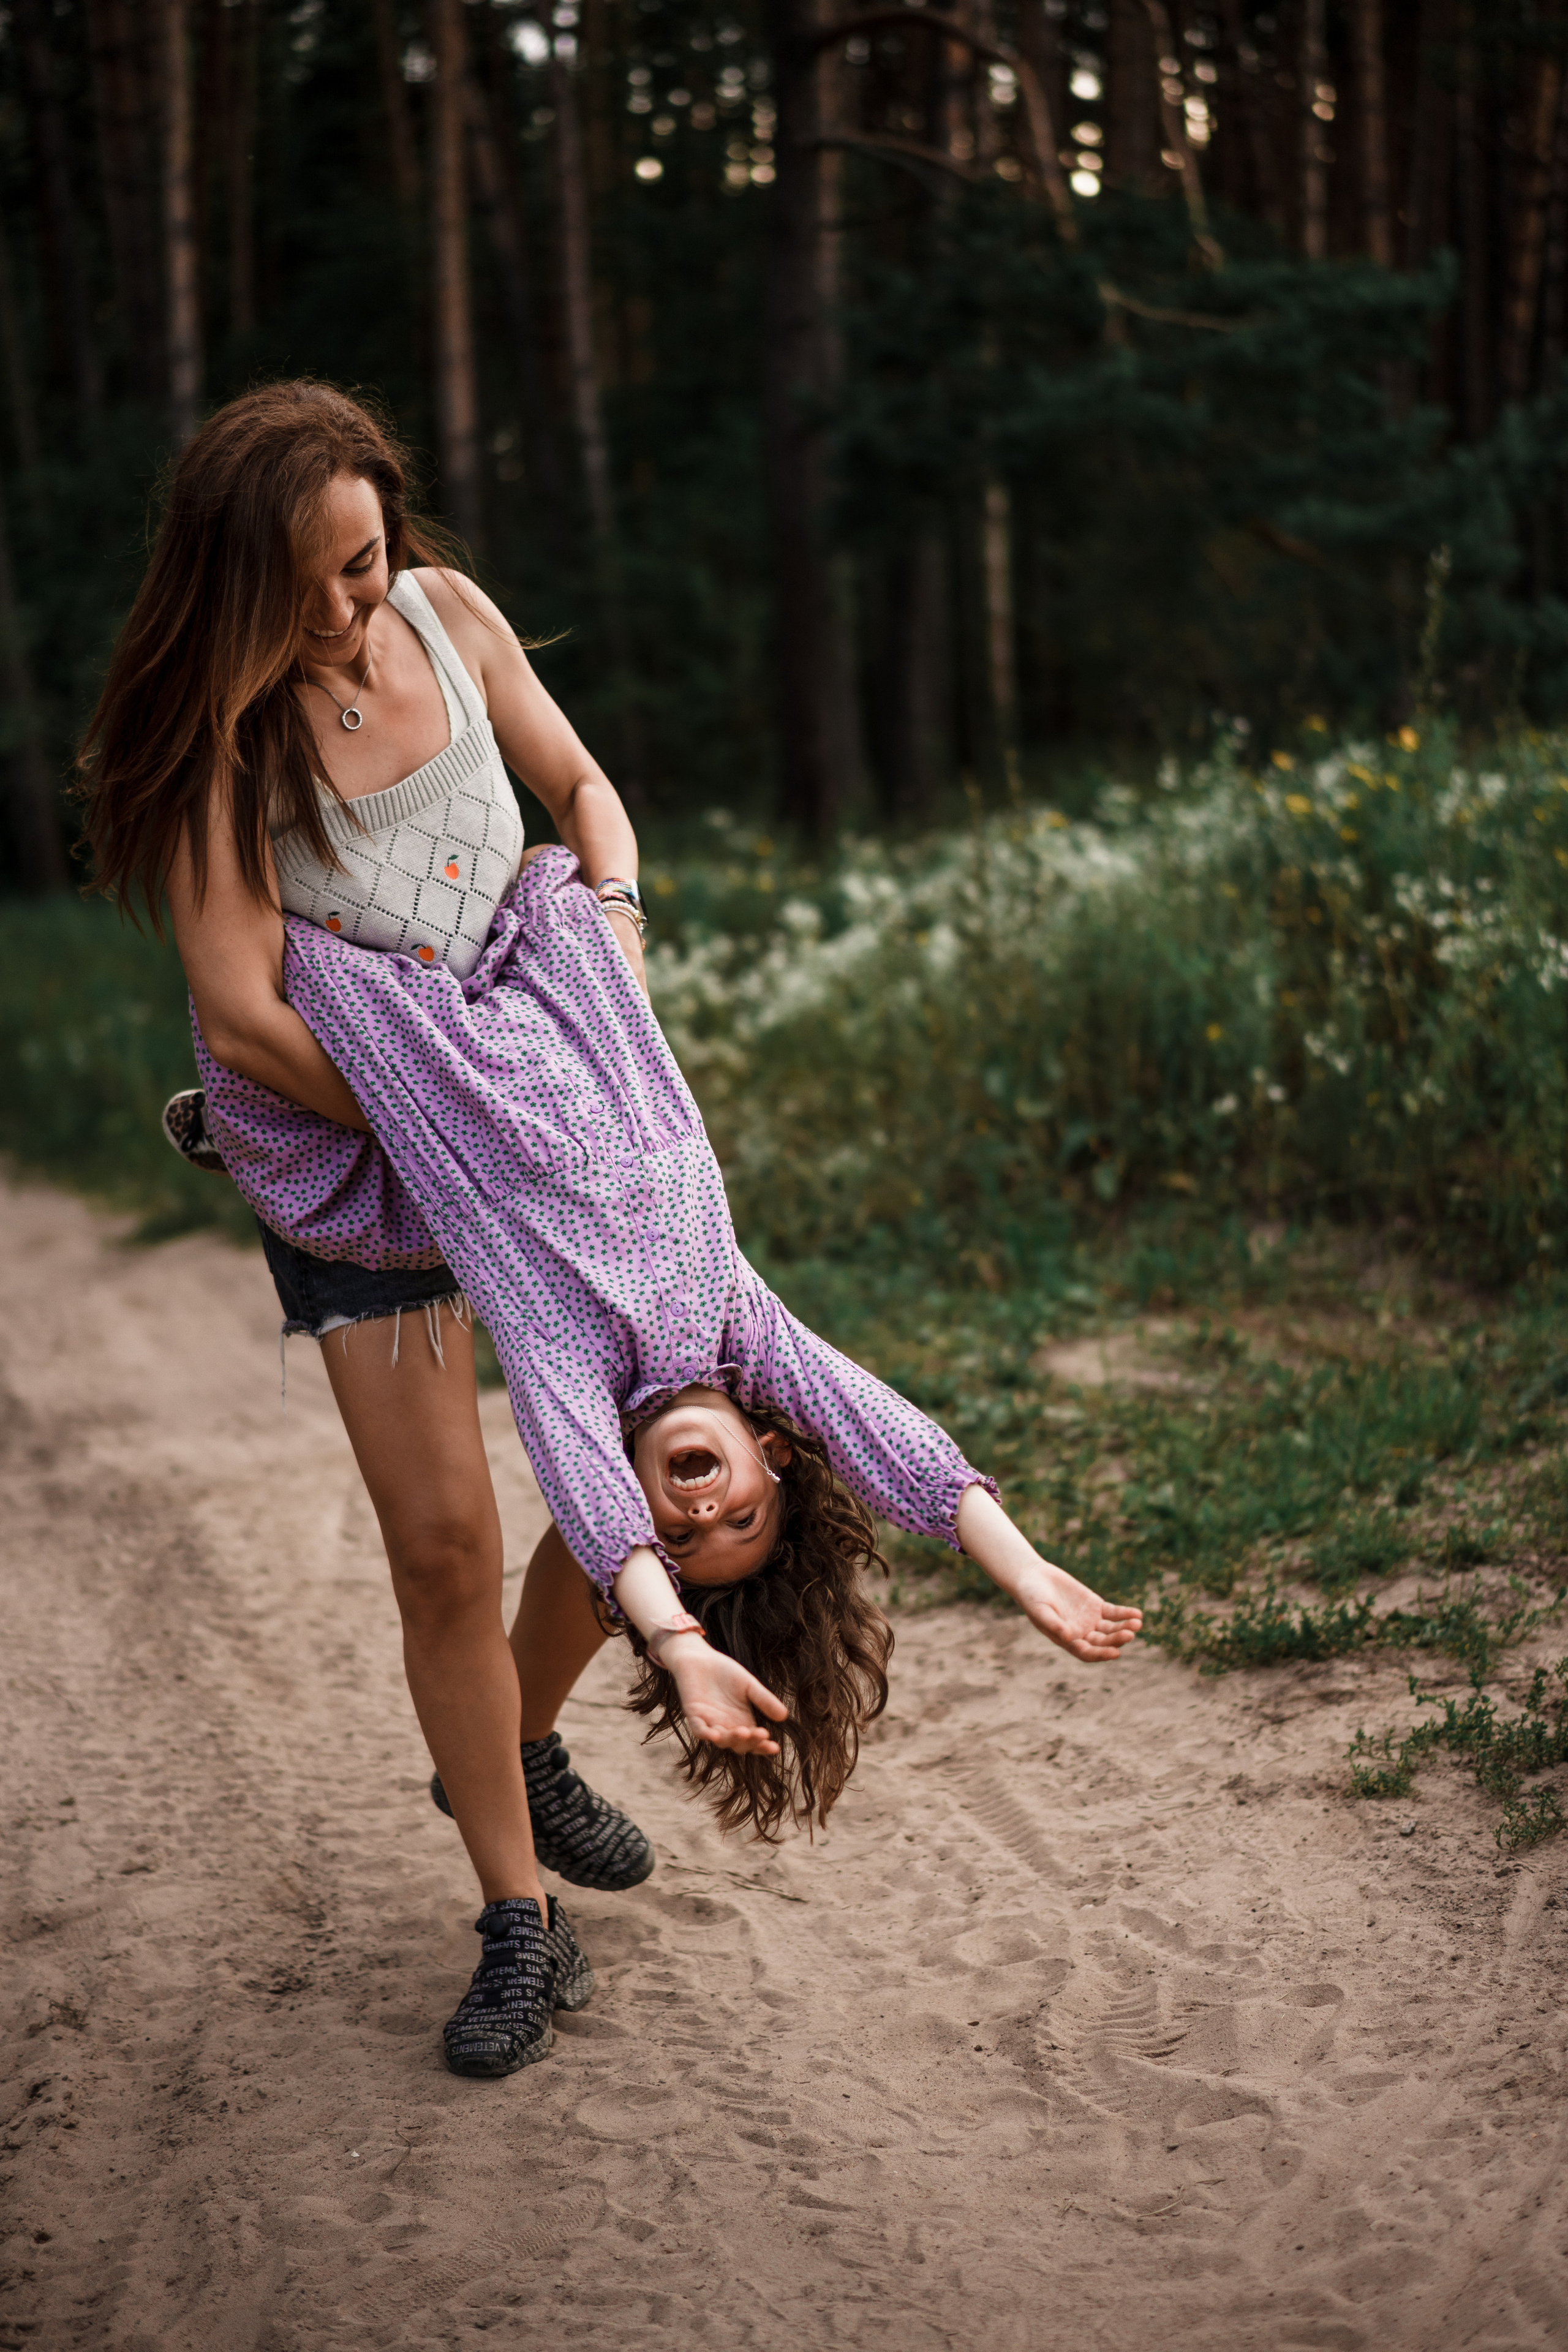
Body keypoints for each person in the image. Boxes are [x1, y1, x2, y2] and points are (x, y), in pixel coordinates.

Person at [79, 380, 1142, 2082]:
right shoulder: (229, 737)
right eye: (322, 585)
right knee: (440, 1548)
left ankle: (508, 1737)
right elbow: (245, 1005)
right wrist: (465, 1128)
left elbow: (584, 790)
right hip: (366, 1163)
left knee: (621, 1464)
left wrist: (619, 923)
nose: (360, 605)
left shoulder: (446, 614)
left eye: (372, 558)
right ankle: (520, 1921)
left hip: (539, 1120)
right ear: (238, 586)